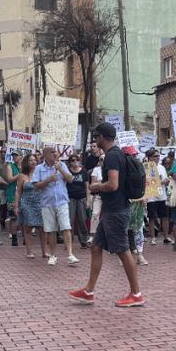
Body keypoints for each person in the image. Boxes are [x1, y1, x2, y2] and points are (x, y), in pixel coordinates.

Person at [69, 124, 144, 307]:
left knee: (123, 250)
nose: (94, 140)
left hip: (116, 211)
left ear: (102, 137)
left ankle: (136, 294)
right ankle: (88, 291)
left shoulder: (112, 156)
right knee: (96, 247)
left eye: (96, 136)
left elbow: (112, 185)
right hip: (112, 210)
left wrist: (96, 187)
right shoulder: (117, 154)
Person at [32, 146, 79, 266]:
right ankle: (53, 255)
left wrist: (61, 170)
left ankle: (70, 254)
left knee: (66, 227)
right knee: (51, 230)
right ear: (45, 155)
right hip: (47, 203)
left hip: (62, 202)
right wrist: (48, 180)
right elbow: (36, 185)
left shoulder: (62, 165)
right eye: (52, 152)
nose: (55, 154)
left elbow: (70, 179)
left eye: (55, 152)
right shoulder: (39, 168)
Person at [15, 153, 44, 259]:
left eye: (35, 160)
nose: (33, 162)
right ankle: (29, 251)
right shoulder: (22, 176)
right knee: (28, 228)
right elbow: (18, 192)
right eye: (30, 160)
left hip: (39, 202)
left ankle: (44, 252)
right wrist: (16, 206)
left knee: (42, 228)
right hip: (26, 203)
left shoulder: (41, 174)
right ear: (26, 162)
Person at [143, 149, 170, 246]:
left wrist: (166, 181)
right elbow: (148, 181)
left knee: (165, 216)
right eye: (155, 156)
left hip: (162, 195)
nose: (158, 158)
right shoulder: (146, 167)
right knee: (152, 217)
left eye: (158, 156)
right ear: (150, 157)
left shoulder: (162, 167)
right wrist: (160, 182)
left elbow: (165, 179)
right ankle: (153, 237)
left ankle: (166, 237)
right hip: (151, 196)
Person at [66, 155, 91, 248]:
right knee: (70, 220)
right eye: (72, 160)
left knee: (82, 220)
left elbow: (87, 186)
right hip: (70, 198)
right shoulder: (67, 171)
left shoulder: (83, 171)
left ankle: (84, 240)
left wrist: (88, 200)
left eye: (77, 160)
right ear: (70, 162)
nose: (75, 162)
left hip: (81, 198)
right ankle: (69, 240)